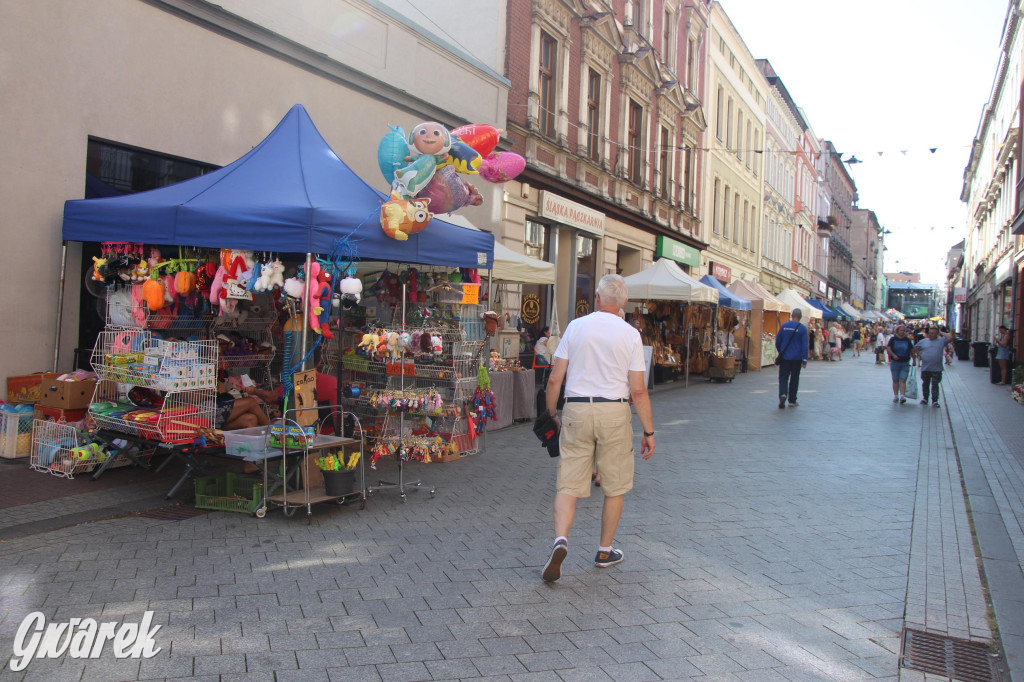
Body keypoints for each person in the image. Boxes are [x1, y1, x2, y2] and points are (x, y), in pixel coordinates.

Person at [541, 274, 655, 582]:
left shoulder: (576, 327)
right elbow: (639, 390)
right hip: (614, 411)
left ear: (597, 299)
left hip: (577, 407)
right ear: (623, 303)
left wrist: (551, 413)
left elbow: (555, 378)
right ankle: (605, 550)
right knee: (614, 484)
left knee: (569, 482)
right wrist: (648, 430)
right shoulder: (630, 334)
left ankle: (561, 539)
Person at [913, 325, 955, 407]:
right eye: (930, 333)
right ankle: (925, 398)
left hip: (937, 368)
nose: (930, 334)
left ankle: (935, 400)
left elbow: (951, 337)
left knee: (935, 384)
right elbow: (915, 348)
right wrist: (919, 354)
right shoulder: (923, 341)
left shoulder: (941, 341)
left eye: (933, 333)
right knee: (925, 383)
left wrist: (941, 332)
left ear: (937, 334)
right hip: (926, 367)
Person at [775, 308, 808, 409]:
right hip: (797, 359)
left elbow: (778, 341)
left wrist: (781, 351)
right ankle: (792, 401)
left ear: (792, 315)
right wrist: (804, 359)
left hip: (785, 358)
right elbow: (804, 345)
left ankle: (783, 394)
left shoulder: (784, 326)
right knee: (794, 379)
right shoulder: (802, 329)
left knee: (783, 377)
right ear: (800, 317)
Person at [887, 324, 914, 404]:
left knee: (903, 380)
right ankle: (896, 395)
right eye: (901, 330)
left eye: (904, 330)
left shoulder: (907, 340)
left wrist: (914, 359)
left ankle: (902, 396)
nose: (903, 332)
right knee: (895, 380)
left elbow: (911, 350)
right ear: (897, 331)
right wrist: (893, 355)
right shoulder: (893, 339)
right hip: (895, 362)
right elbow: (888, 348)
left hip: (905, 362)